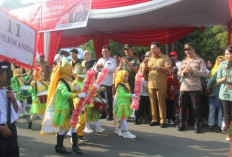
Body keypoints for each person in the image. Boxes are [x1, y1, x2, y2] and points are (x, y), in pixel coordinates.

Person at [45, 57, 85, 154]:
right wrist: (77, 94)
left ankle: (75, 146)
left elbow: (69, 90)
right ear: (66, 70)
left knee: (73, 126)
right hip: (63, 109)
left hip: (69, 108)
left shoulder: (67, 80)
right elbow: (65, 94)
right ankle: (59, 146)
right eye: (70, 69)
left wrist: (75, 89)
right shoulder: (61, 82)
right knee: (62, 128)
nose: (72, 71)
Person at [177, 43, 207, 133]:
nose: (187, 51)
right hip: (184, 88)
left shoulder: (199, 61)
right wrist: (184, 72)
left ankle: (197, 124)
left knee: (196, 108)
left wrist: (192, 71)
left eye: (189, 49)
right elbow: (179, 73)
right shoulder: (184, 61)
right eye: (186, 50)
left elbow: (203, 73)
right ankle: (182, 123)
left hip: (195, 87)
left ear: (194, 50)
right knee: (182, 107)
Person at [142, 41, 171, 128]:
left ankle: (162, 120)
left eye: (154, 49)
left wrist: (159, 67)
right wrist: (145, 64)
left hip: (161, 84)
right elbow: (145, 71)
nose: (152, 50)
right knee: (152, 103)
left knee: (161, 102)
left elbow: (168, 69)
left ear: (159, 49)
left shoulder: (165, 57)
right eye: (151, 49)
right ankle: (154, 119)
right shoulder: (150, 58)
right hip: (151, 83)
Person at [0, 61, 22, 157]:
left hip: (11, 128)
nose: (10, 76)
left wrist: (13, 99)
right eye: (7, 73)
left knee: (13, 153)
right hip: (1, 128)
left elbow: (17, 110)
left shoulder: (7, 91)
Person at [94, 45, 116, 120]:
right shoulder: (100, 60)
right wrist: (97, 67)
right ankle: (102, 113)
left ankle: (110, 114)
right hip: (100, 82)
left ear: (109, 52)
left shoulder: (112, 60)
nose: (104, 53)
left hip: (107, 83)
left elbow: (113, 69)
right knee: (100, 99)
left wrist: (103, 67)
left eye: (106, 51)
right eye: (103, 51)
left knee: (108, 99)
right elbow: (95, 70)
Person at [114, 70, 137, 139]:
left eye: (127, 76)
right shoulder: (119, 86)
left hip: (125, 102)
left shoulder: (125, 84)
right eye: (125, 76)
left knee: (124, 117)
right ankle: (126, 132)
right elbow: (123, 95)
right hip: (122, 103)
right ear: (120, 77)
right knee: (124, 118)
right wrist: (131, 95)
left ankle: (118, 129)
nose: (127, 78)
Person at [217, 45, 232, 140]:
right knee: (227, 114)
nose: (226, 55)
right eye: (225, 53)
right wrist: (222, 79)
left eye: (229, 53)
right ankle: (228, 133)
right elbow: (217, 79)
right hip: (225, 93)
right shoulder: (222, 65)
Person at [206, 56, 224, 130]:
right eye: (218, 61)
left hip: (222, 90)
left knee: (221, 109)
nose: (219, 63)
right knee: (212, 107)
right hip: (213, 91)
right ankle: (211, 123)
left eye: (221, 61)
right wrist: (208, 86)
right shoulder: (214, 70)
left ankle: (220, 124)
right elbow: (210, 80)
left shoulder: (225, 69)